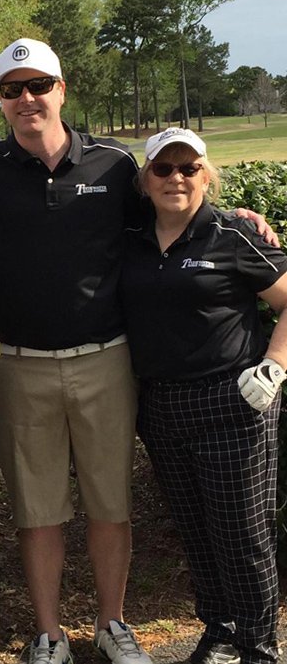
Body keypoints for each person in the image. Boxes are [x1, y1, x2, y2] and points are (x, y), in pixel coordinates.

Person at [0, 37, 153, 664]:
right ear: (2, 102)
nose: (27, 99)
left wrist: (242, 219)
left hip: (107, 359)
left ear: (62, 90)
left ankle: (111, 624)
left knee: (109, 502)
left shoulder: (116, 166)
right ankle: (49, 634)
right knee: (37, 511)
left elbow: (178, 214)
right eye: (13, 90)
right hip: (22, 365)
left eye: (39, 86)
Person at [121, 128, 285, 664]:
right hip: (161, 405)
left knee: (242, 535)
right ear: (145, 181)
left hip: (233, 399)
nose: (176, 178)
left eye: (188, 169)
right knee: (194, 528)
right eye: (163, 169)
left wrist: (275, 366)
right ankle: (220, 631)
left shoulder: (232, 234)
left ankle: (258, 647)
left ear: (206, 176)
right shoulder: (131, 236)